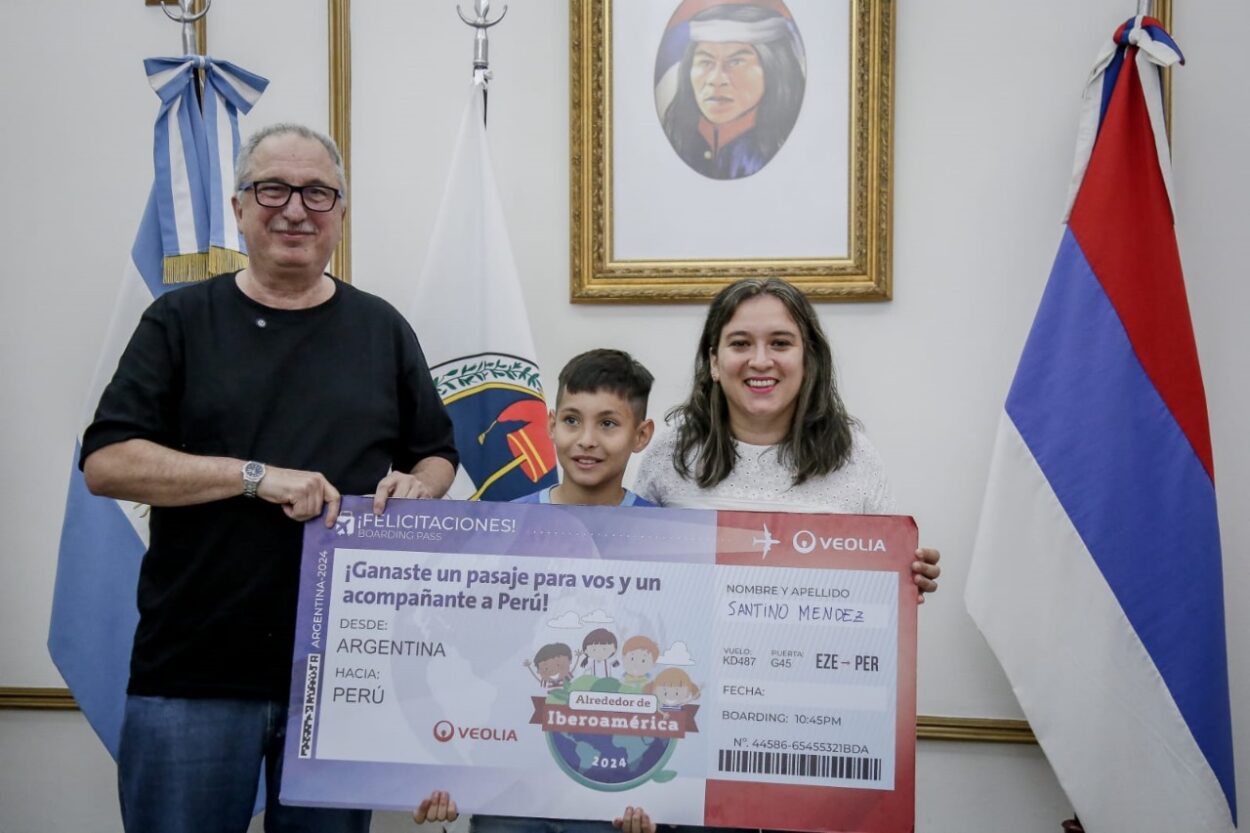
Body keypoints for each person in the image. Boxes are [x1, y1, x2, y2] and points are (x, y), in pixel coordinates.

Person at [81, 123, 459, 833]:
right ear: (238, 207)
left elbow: (436, 453)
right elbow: (108, 462)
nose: (295, 209)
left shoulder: (382, 329)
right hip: (194, 671)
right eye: (273, 189)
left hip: (340, 677)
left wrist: (422, 485)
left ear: (341, 214)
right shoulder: (180, 321)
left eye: (318, 192)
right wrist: (254, 476)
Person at [414, 349, 660, 833]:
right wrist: (443, 772)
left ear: (641, 435)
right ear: (549, 425)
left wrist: (663, 793)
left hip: (611, 784)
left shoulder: (666, 538)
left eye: (608, 424)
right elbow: (463, 654)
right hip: (508, 776)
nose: (586, 440)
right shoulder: (499, 529)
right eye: (572, 420)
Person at [633, 277, 941, 600]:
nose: (761, 361)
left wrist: (907, 576)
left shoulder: (854, 455)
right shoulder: (671, 453)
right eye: (740, 343)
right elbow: (632, 569)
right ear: (714, 362)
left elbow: (881, 580)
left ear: (808, 359)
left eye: (780, 343)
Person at [658, 3, 807, 180]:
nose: (716, 80)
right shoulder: (678, 141)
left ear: (773, 68)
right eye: (705, 62)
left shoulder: (787, 151)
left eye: (736, 62)